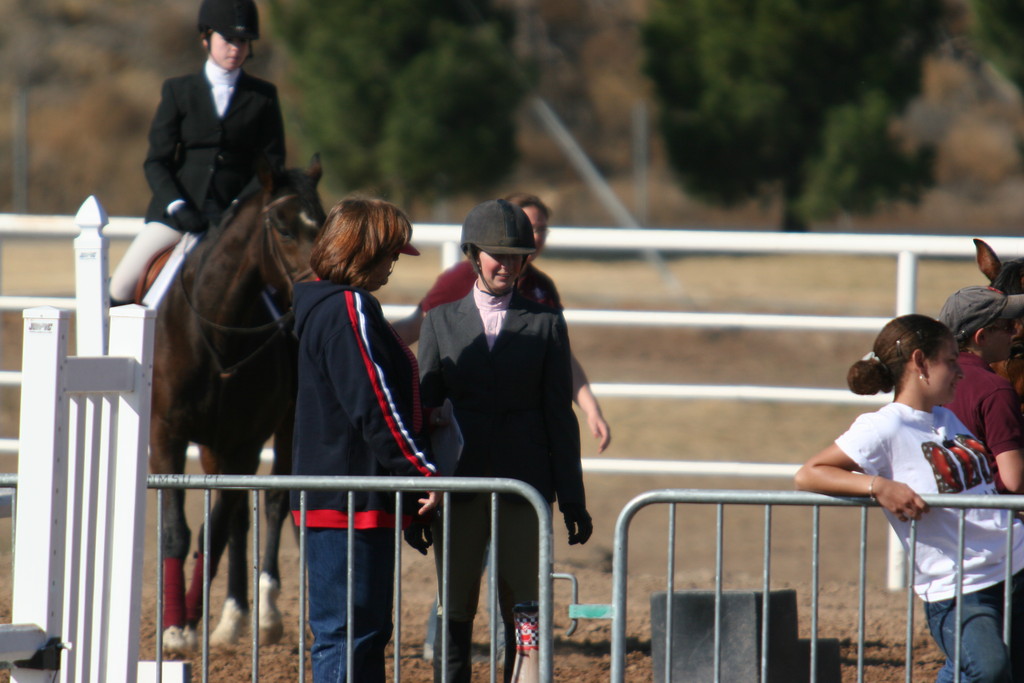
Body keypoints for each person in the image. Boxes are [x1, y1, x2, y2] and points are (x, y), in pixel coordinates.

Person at [416, 198, 592, 683]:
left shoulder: (546, 323)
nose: (507, 265)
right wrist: (416, 493)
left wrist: (572, 498)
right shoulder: (440, 322)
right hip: (459, 485)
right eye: (498, 255)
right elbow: (423, 414)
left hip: (524, 484)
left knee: (525, 605)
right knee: (455, 604)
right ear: (474, 255)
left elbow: (560, 416)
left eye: (517, 255)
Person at [795, 314, 1024, 683]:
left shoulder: (947, 418)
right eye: (950, 361)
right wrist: (879, 487)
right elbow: (809, 473)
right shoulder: (885, 425)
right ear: (920, 362)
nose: (960, 372)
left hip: (1013, 565)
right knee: (990, 670)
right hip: (959, 586)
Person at [291, 198, 439, 682]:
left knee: (350, 633)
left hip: (335, 494)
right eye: (391, 255)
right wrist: (422, 471)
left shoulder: (318, 303)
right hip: (349, 499)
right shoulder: (349, 306)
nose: (393, 266)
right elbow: (372, 403)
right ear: (366, 250)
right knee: (352, 633)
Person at [392, 192, 612, 454]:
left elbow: (560, 354)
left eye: (542, 229)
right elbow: (419, 325)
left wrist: (590, 408)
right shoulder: (462, 279)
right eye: (529, 228)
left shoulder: (541, 286)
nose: (537, 236)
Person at [109, 0, 286, 305]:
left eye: (243, 41)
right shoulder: (178, 91)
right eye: (228, 39)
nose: (236, 48)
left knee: (281, 291)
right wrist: (179, 206)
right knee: (121, 287)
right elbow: (156, 161)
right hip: (177, 216)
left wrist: (238, 206)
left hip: (237, 219)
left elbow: (273, 162)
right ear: (206, 38)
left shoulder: (263, 97)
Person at [938, 286, 1024, 494]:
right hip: (994, 518)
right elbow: (1016, 481)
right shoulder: (995, 389)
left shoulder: (928, 382)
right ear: (981, 337)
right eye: (1008, 326)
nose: (1015, 333)